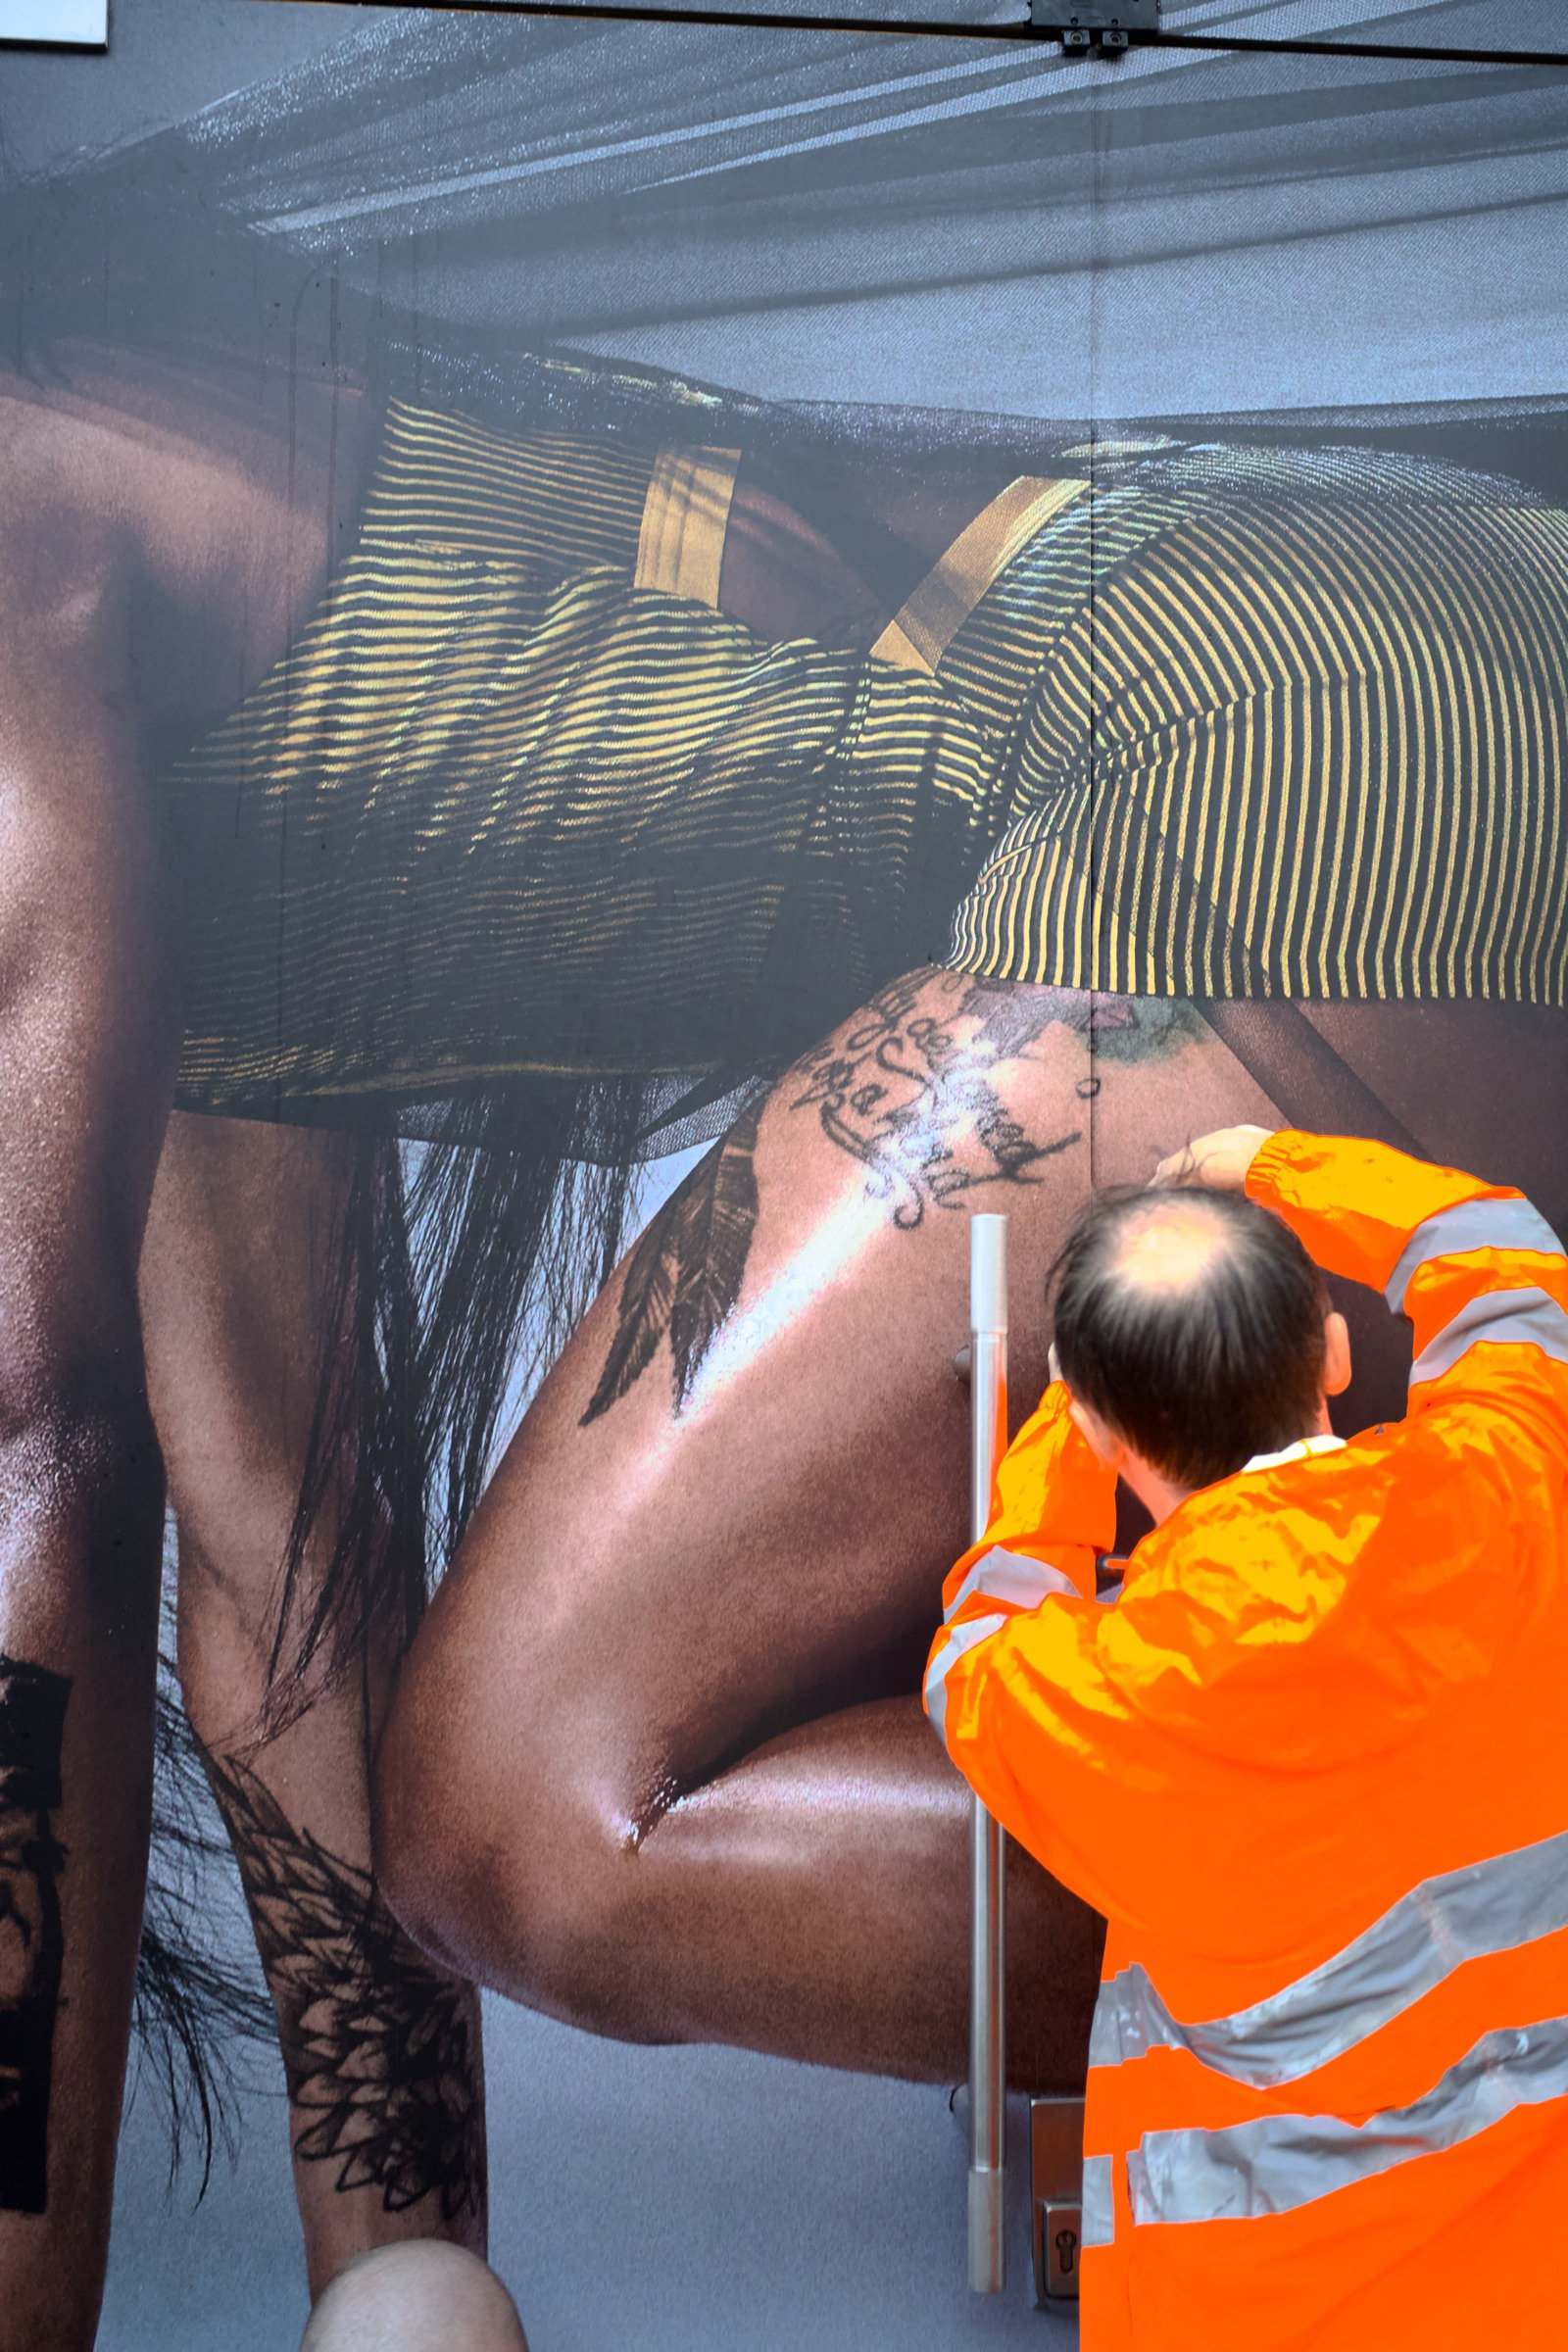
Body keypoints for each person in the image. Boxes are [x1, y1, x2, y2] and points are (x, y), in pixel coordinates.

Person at [10, 106, 1568, 2349]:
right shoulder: (187, 722)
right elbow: (272, 1546)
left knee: (548, 1802)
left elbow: (28, 1468)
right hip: (1363, 674)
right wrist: (401, 2279)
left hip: (1286, 736)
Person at [925, 1120, 1568, 2349]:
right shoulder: (1505, 1487)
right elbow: (1498, 1255)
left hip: (1284, 2308)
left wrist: (1066, 1429)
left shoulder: (1111, 1694)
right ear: (1332, 1352)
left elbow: (977, 1648)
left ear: (1114, 1439)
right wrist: (1271, 1160)